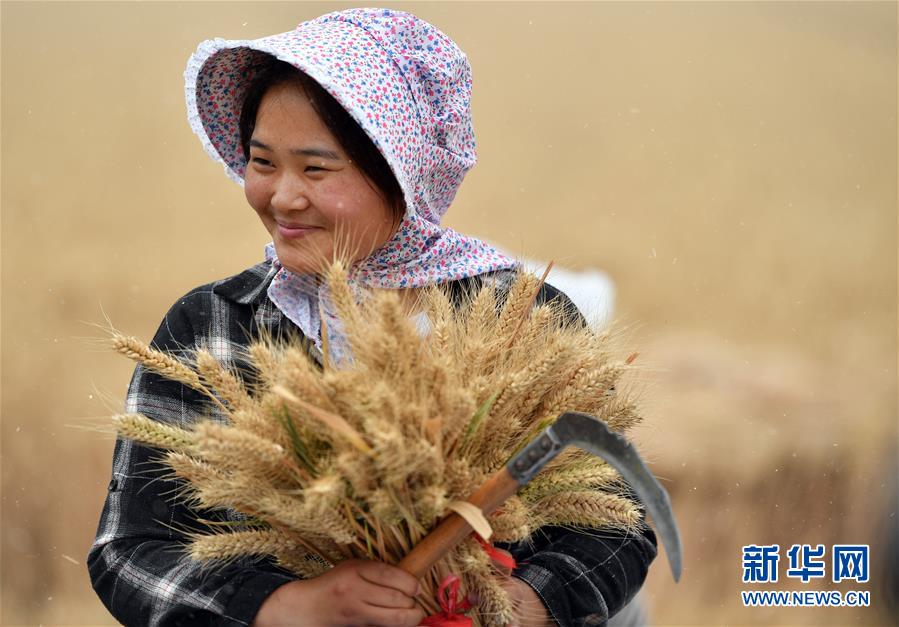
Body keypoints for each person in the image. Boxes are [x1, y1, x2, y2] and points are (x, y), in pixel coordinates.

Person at [88, 8, 658, 627]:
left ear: (401, 172)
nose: (282, 195)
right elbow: (128, 552)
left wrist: (522, 604)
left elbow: (617, 523)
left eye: (315, 168)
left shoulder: (521, 321)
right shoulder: (213, 329)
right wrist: (287, 606)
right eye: (261, 162)